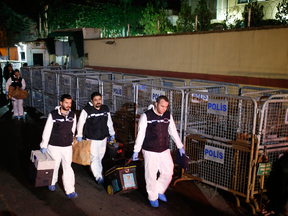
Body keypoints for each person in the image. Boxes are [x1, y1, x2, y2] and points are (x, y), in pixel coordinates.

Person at [132, 95, 185, 207]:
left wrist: (180, 146)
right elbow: (140, 134)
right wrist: (136, 150)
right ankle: (152, 196)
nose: (164, 109)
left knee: (168, 172)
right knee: (150, 175)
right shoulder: (146, 116)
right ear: (156, 104)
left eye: (166, 106)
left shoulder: (168, 116)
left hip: (164, 150)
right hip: (150, 150)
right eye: (162, 106)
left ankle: (160, 190)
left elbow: (173, 131)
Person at [40, 94, 78, 199]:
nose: (68, 105)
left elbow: (73, 129)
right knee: (55, 166)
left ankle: (70, 190)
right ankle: (51, 182)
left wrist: (72, 140)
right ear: (61, 103)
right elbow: (47, 130)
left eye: (70, 103)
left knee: (68, 168)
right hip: (54, 146)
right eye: (66, 102)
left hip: (67, 147)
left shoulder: (73, 115)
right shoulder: (53, 115)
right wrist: (44, 144)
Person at [76, 92, 115, 184]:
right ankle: (98, 176)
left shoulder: (105, 109)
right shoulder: (87, 110)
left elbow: (109, 122)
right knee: (95, 157)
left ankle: (95, 170)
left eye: (99, 99)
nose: (98, 102)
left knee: (100, 155)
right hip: (92, 138)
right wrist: (79, 135)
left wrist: (112, 133)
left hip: (103, 138)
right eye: (96, 100)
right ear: (91, 101)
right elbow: (80, 123)